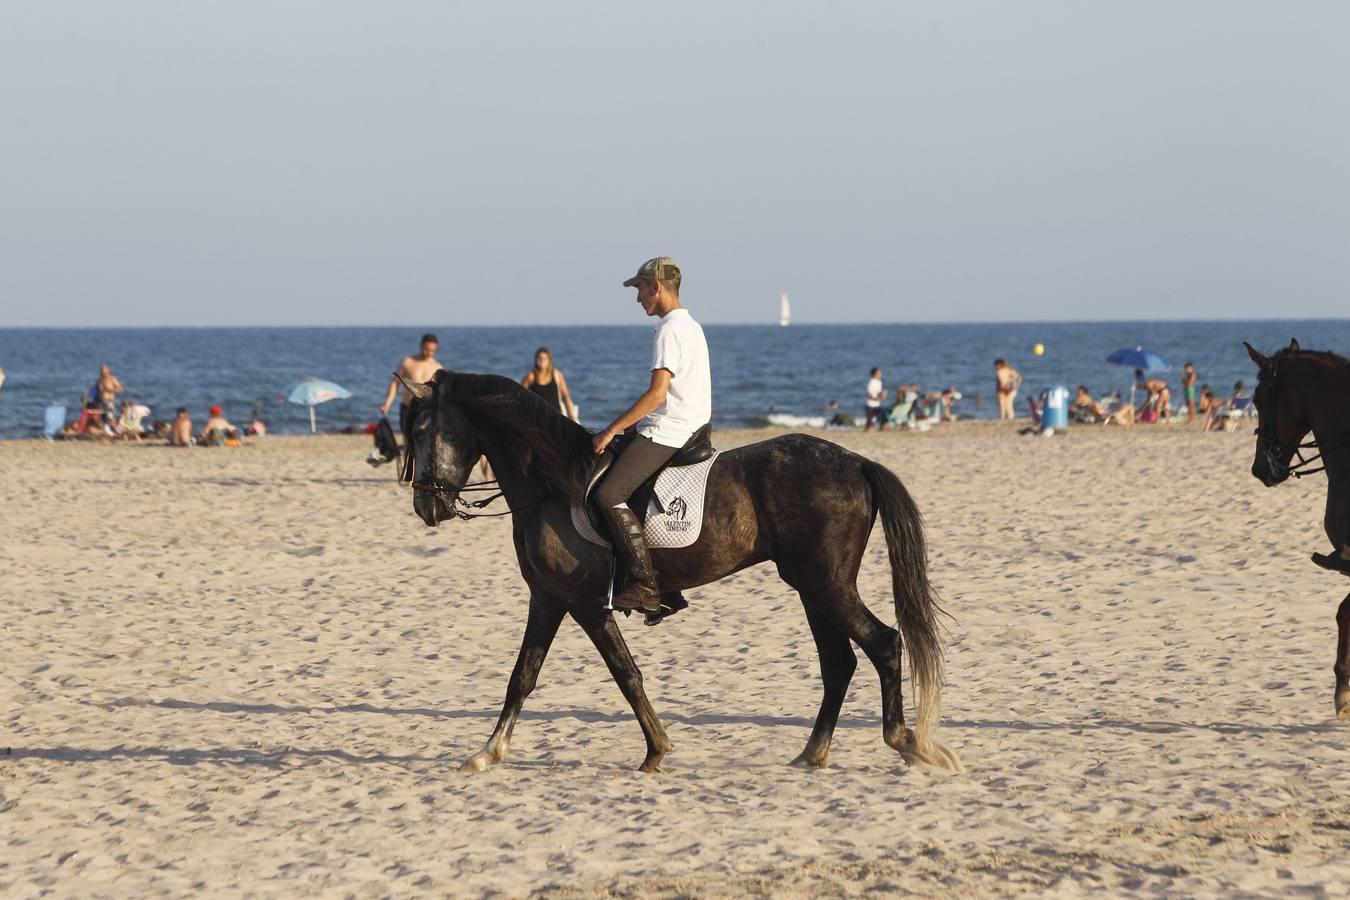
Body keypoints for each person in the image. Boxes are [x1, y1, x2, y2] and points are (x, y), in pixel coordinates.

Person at [591, 257, 711, 616]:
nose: (638, 297)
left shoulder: (668, 330)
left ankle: (644, 584)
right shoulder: (692, 326)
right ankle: (667, 583)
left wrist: (612, 428)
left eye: (640, 289)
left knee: (609, 494)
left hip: (670, 430)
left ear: (656, 287)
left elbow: (658, 394)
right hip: (691, 426)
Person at [379, 333, 444, 433]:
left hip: (426, 410)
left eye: (433, 351)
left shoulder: (437, 367)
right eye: (427, 349)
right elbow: (395, 383)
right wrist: (387, 404)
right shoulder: (408, 362)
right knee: (407, 441)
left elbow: (440, 392)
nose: (429, 353)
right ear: (421, 346)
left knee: (424, 442)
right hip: (407, 408)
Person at [522, 347, 578, 421]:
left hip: (556, 417)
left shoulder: (557, 375)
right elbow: (521, 395)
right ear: (535, 360)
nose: (542, 360)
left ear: (549, 360)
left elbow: (566, 396)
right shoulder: (531, 376)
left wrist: (571, 415)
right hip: (537, 418)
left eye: (545, 358)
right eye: (540, 358)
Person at [94, 364, 124, 434]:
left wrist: (112, 390)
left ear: (108, 370)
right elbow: (95, 391)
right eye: (101, 370)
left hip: (109, 400)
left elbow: (121, 389)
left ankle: (112, 429)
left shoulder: (112, 379)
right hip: (100, 401)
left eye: (104, 370)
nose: (102, 371)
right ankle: (107, 429)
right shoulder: (99, 380)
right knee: (102, 417)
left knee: (110, 416)